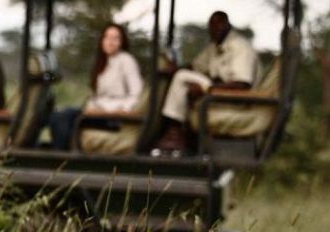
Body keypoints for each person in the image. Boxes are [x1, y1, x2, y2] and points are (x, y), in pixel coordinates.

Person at [154, 11, 259, 155]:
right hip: (216, 92)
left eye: (217, 25)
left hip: (235, 98)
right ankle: (177, 133)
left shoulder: (240, 47)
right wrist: (174, 69)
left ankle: (175, 132)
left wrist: (206, 89)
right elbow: (195, 66)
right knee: (182, 76)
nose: (213, 29)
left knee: (182, 77)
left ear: (226, 24)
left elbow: (242, 85)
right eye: (211, 26)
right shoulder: (215, 45)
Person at [49, 23, 144, 151]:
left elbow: (136, 95)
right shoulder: (103, 63)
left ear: (122, 42)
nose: (110, 42)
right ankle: (62, 152)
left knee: (64, 116)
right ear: (102, 41)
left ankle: (60, 157)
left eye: (115, 38)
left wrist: (110, 111)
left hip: (112, 118)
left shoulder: (126, 61)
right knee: (57, 115)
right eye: (107, 38)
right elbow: (99, 96)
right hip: (96, 113)